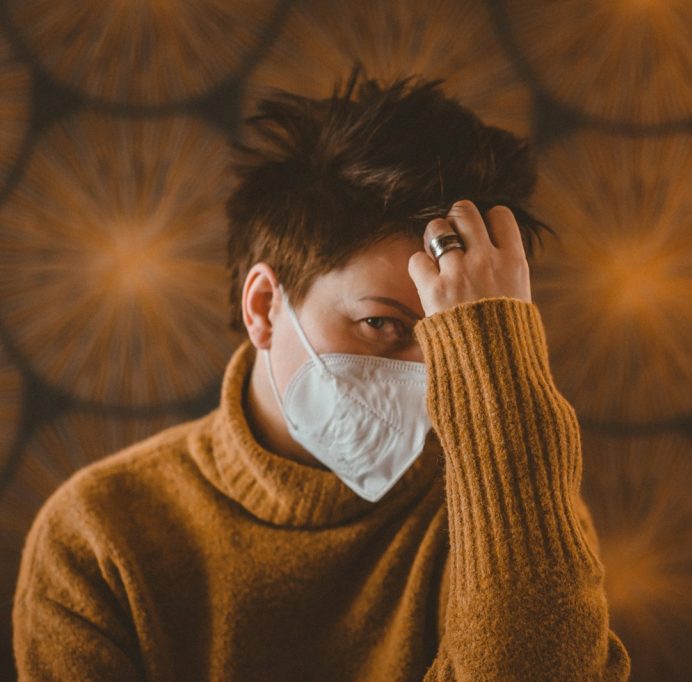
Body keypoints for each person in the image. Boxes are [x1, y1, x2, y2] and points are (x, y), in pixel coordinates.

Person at [11, 66, 631, 680]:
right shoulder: (99, 537)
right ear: (264, 307)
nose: (426, 373)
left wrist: (495, 353)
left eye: (451, 335)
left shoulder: (515, 503)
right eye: (382, 325)